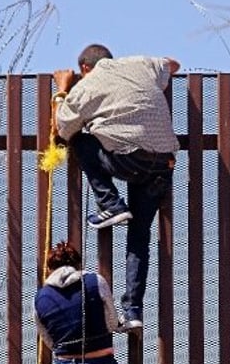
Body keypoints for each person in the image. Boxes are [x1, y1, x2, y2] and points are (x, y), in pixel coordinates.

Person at [52, 44, 180, 331]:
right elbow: (173, 64)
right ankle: (132, 311)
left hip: (128, 157)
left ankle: (111, 204)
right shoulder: (141, 63)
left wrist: (63, 87)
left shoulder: (88, 85)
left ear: (85, 68)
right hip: (162, 163)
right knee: (139, 238)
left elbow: (62, 129)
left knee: (82, 141)